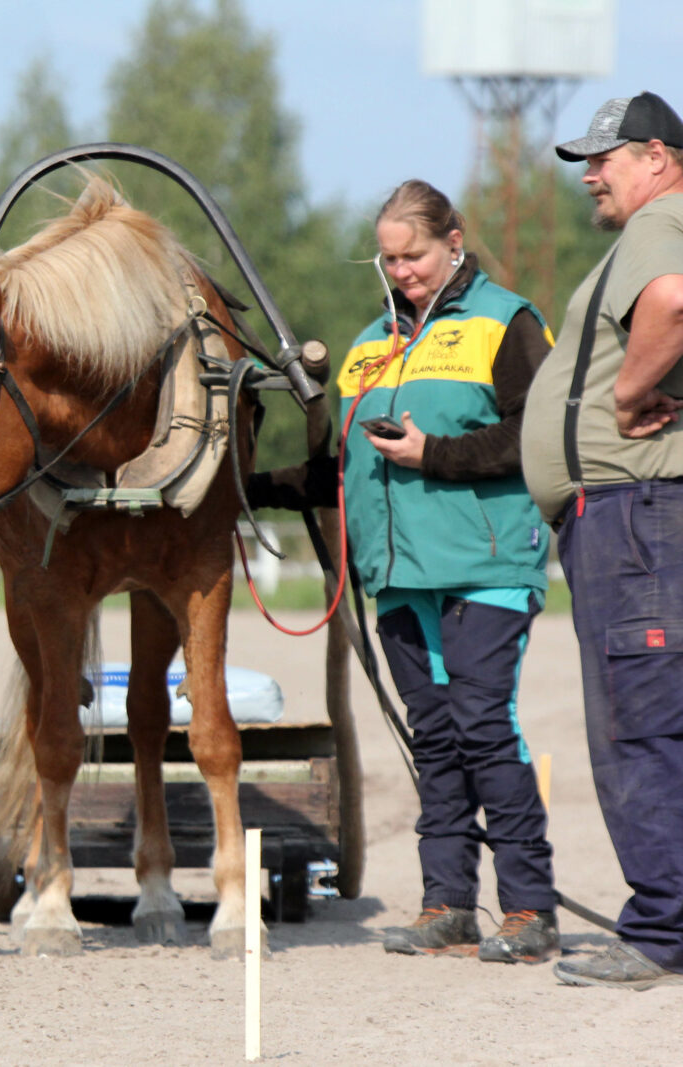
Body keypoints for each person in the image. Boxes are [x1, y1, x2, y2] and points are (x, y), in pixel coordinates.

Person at [252, 180, 560, 963]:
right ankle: (448, 902)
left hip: (485, 564)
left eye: (413, 255)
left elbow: (542, 432)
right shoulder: (366, 345)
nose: (401, 271)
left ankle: (528, 907)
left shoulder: (508, 321)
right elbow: (342, 473)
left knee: (484, 727)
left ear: (453, 240)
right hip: (397, 576)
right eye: (388, 259)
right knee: (436, 737)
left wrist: (439, 455)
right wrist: (243, 489)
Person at [522, 91, 683, 991]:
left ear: (657, 158)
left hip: (632, 514)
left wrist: (627, 397)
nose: (591, 175)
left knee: (639, 719)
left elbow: (672, 298)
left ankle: (663, 930)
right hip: (642, 513)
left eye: (605, 157)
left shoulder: (662, 225)